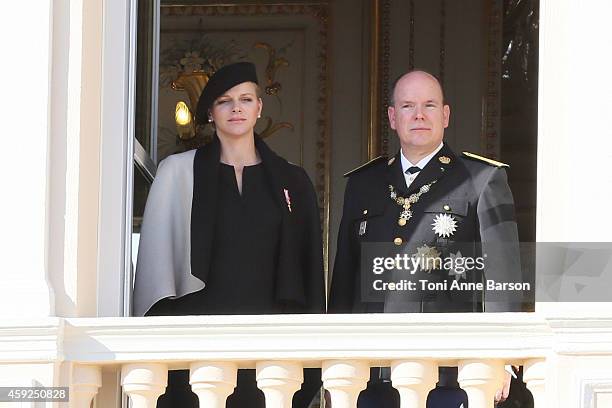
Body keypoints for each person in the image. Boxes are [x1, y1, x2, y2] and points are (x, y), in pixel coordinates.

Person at [328, 70, 531, 407]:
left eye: (430, 105)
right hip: (371, 372)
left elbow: (502, 277)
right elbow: (345, 281)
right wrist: (335, 358)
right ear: (393, 117)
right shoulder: (363, 184)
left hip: (449, 374)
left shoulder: (481, 179)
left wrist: (502, 357)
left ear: (446, 115)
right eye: (408, 106)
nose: (419, 115)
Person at [133, 62, 325, 407]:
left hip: (272, 349)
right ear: (210, 112)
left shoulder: (293, 180)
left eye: (245, 99)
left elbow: (310, 272)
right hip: (194, 348)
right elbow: (155, 272)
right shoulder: (178, 172)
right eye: (224, 101)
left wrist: (311, 359)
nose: (236, 108)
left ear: (259, 108)